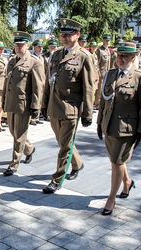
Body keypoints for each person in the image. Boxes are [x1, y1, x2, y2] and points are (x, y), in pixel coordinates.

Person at [97, 42, 141, 215]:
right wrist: (99, 123)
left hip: (126, 129)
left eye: (124, 56)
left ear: (133, 58)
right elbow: (103, 102)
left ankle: (111, 199)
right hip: (109, 126)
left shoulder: (140, 77)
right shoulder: (110, 74)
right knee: (116, 160)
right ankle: (127, 182)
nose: (119, 59)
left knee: (116, 162)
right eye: (118, 55)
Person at [42, 18, 95, 193]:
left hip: (71, 109)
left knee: (65, 146)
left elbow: (89, 87)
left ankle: (57, 180)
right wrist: (44, 105)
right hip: (54, 107)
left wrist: (87, 113)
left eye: (69, 34)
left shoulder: (84, 56)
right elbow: (49, 82)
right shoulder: (56, 54)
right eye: (62, 34)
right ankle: (78, 164)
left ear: (77, 35)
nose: (64, 37)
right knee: (63, 142)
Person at [2, 31, 45, 176]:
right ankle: (29, 149)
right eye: (16, 45)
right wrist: (3, 100)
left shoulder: (34, 62)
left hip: (23, 104)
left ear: (27, 45)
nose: (18, 47)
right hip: (11, 102)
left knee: (19, 135)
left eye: (21, 45)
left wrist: (35, 106)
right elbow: (7, 83)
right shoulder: (12, 61)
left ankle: (13, 165)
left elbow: (38, 86)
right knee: (13, 131)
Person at [30, 39, 47, 125]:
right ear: (34, 47)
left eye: (41, 47)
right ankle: (32, 118)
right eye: (39, 47)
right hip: (35, 80)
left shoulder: (42, 57)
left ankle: (37, 117)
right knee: (35, 98)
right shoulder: (32, 57)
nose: (41, 48)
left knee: (40, 98)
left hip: (42, 80)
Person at [94, 34, 112, 109]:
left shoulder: (108, 50)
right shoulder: (99, 50)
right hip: (101, 72)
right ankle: (97, 103)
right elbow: (96, 62)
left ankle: (103, 102)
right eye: (105, 40)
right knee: (99, 88)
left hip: (107, 72)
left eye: (108, 41)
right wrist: (98, 72)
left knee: (105, 88)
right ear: (103, 41)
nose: (107, 42)